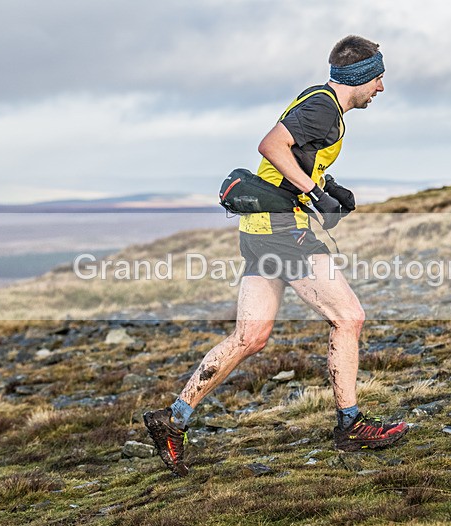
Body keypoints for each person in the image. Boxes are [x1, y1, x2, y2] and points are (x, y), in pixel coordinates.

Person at [143, 35, 408, 476]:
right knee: (348, 317)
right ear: (360, 76)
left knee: (251, 337)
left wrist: (329, 185)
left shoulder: (319, 102)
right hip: (283, 231)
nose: (381, 87)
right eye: (378, 77)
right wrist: (313, 193)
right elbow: (270, 146)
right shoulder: (323, 107)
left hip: (259, 231)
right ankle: (351, 425)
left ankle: (173, 419)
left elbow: (295, 155)